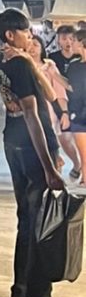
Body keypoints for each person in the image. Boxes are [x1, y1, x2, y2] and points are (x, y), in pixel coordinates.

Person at [0, 8, 71, 297]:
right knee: (41, 224)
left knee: (26, 219)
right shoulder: (19, 65)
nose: (30, 36)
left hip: (13, 144)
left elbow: (50, 95)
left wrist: (29, 62)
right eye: (25, 32)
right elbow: (30, 114)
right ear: (10, 34)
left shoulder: (4, 61)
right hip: (30, 149)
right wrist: (50, 167)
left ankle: (20, 291)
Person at [57, 24, 86, 185]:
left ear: (82, 43)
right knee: (84, 154)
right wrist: (53, 73)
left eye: (74, 40)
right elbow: (70, 86)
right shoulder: (74, 65)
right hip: (79, 114)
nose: (70, 43)